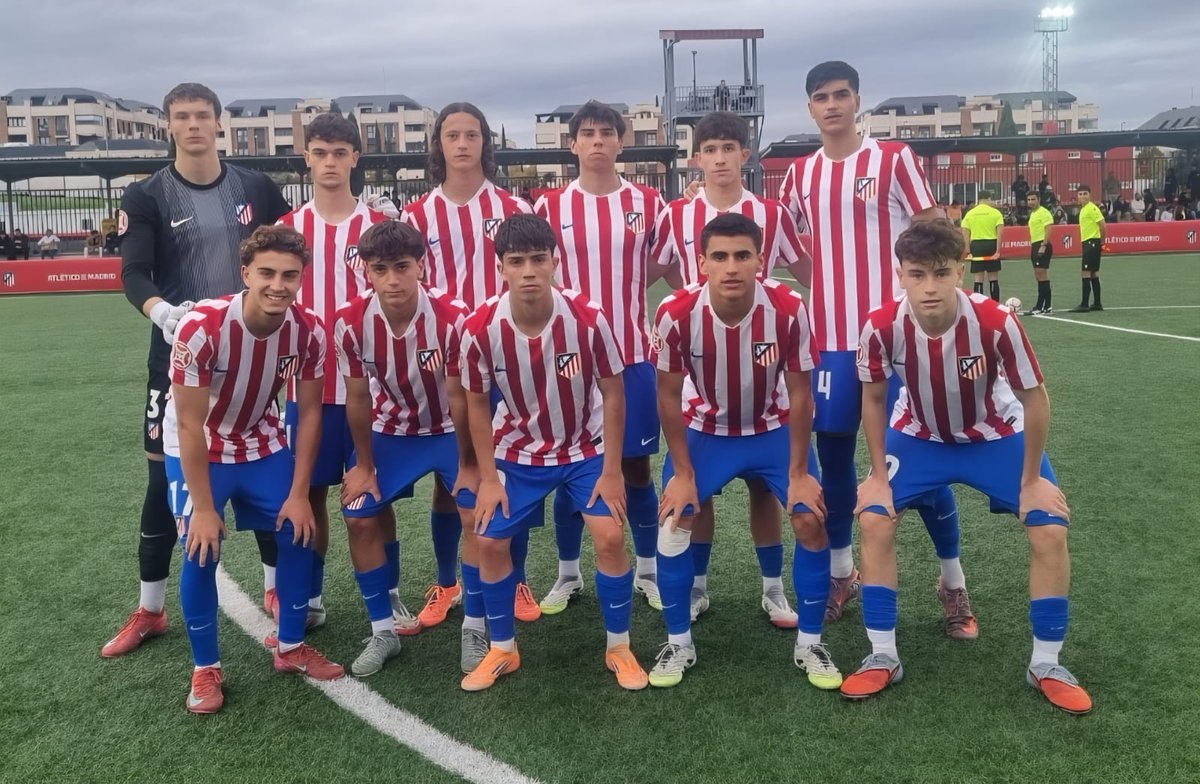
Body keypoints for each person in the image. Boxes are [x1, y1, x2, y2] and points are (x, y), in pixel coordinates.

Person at [844, 218, 1091, 715]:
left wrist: (1031, 481)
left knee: (1048, 528)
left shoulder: (997, 321)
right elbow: (872, 400)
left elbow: (1035, 400)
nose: (929, 287)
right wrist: (874, 474)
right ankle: (882, 654)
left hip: (995, 437)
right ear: (900, 275)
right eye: (917, 275)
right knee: (873, 517)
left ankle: (1046, 662)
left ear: (962, 270)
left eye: (940, 273)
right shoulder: (881, 325)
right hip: (918, 437)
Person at [779, 61, 974, 638]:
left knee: (923, 458)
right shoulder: (799, 175)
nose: (832, 104)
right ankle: (843, 573)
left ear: (857, 102)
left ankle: (952, 580)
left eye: (842, 95)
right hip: (832, 343)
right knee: (835, 463)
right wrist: (824, 284)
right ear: (810, 108)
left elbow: (934, 233)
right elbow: (784, 240)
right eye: (821, 97)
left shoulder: (892, 160)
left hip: (900, 341)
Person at [105, 82, 291, 659]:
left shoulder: (256, 187)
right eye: (181, 117)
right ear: (168, 125)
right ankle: (151, 608)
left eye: (202, 116)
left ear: (219, 125)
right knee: (162, 480)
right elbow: (134, 273)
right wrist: (163, 313)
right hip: (178, 360)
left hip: (256, 359)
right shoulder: (146, 196)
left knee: (266, 470)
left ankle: (277, 591)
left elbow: (290, 249)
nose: (192, 125)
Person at [457, 213, 648, 692]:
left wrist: (611, 472)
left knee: (608, 536)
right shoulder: (480, 327)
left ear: (554, 262)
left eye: (538, 259)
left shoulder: (587, 318)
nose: (528, 271)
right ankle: (503, 649)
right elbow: (477, 406)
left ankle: (619, 646)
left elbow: (614, 394)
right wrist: (488, 477)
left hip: (586, 448)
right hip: (517, 453)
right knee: (490, 541)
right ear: (500, 266)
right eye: (516, 261)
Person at [650, 212, 839, 690]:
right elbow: (668, 397)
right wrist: (684, 474)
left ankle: (808, 639)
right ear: (701, 262)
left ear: (760, 260)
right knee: (675, 520)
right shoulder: (675, 311)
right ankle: (679, 641)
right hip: (704, 429)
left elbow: (801, 395)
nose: (731, 267)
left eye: (742, 255)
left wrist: (799, 471)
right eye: (719, 256)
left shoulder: (789, 307)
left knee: (811, 518)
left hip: (771, 428)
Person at [166, 224, 345, 714]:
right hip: (198, 444)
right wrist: (203, 507)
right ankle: (205, 669)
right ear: (246, 273)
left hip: (261, 439)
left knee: (298, 529)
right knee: (201, 549)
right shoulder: (201, 326)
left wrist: (300, 492)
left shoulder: (308, 330)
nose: (277, 284)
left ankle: (290, 647)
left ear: (302, 279)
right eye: (266, 273)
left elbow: (308, 413)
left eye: (289, 275)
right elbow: (188, 424)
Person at [652, 110, 813, 627]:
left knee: (766, 492)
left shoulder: (772, 211)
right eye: (710, 149)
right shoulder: (676, 215)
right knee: (696, 495)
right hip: (705, 376)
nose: (719, 158)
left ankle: (773, 589)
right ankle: (696, 588)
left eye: (729, 148)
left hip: (766, 379)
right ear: (696, 157)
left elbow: (810, 272)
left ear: (746, 154)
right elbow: (654, 273)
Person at [401, 102, 541, 633]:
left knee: (506, 471)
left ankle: (517, 576)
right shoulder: (416, 217)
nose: (462, 144)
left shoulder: (511, 206)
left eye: (472, 135)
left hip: (504, 360)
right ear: (438, 145)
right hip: (439, 364)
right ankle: (446, 582)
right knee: (450, 478)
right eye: (452, 135)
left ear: (486, 143)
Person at [532, 101, 667, 617]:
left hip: (632, 355)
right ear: (572, 145)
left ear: (621, 140)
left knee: (634, 467)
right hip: (567, 360)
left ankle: (649, 570)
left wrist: (628, 293)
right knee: (570, 469)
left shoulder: (648, 202)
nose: (596, 142)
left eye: (606, 133)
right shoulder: (549, 207)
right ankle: (568, 574)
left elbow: (664, 262)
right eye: (586, 134)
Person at [275, 112, 402, 637]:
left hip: (368, 393)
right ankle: (311, 598)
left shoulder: (376, 229)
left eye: (340, 152)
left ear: (355, 158)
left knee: (376, 500)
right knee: (312, 495)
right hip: (306, 394)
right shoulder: (287, 229)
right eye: (320, 152)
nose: (330, 162)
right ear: (307, 157)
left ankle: (391, 599)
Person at [334, 220, 477, 676]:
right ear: (367, 273)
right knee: (358, 514)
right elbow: (357, 396)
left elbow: (462, 396)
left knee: (478, 511)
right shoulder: (350, 321)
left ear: (421, 265)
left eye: (402, 266)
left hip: (451, 432)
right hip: (390, 430)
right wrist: (364, 465)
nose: (393, 279)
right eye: (381, 269)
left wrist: (472, 464)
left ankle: (474, 628)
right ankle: (383, 629)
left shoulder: (454, 316)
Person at [960, 190, 1005, 301]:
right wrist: (997, 251)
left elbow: (965, 232)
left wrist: (968, 250)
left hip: (977, 245)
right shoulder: (996, 213)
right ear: (989, 198)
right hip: (991, 243)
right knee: (993, 277)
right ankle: (996, 304)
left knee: (978, 278)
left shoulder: (970, 213)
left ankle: (978, 305)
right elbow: (1000, 233)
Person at [1069, 186, 1105, 313]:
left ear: (1090, 195)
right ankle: (1097, 303)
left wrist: (1102, 242)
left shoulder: (1092, 208)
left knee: (1085, 272)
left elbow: (1103, 225)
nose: (1082, 196)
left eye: (1085, 193)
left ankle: (1084, 304)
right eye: (1080, 194)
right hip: (1089, 243)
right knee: (1093, 273)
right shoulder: (1084, 209)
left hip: (1092, 242)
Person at [1024, 192, 1055, 315]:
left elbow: (1048, 228)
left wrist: (1043, 245)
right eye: (1029, 199)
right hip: (1035, 244)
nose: (1031, 202)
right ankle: (1046, 306)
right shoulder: (1033, 214)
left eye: (1033, 199)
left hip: (1041, 245)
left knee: (1041, 275)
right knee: (1040, 276)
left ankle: (1040, 306)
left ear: (1039, 199)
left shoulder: (1044, 212)